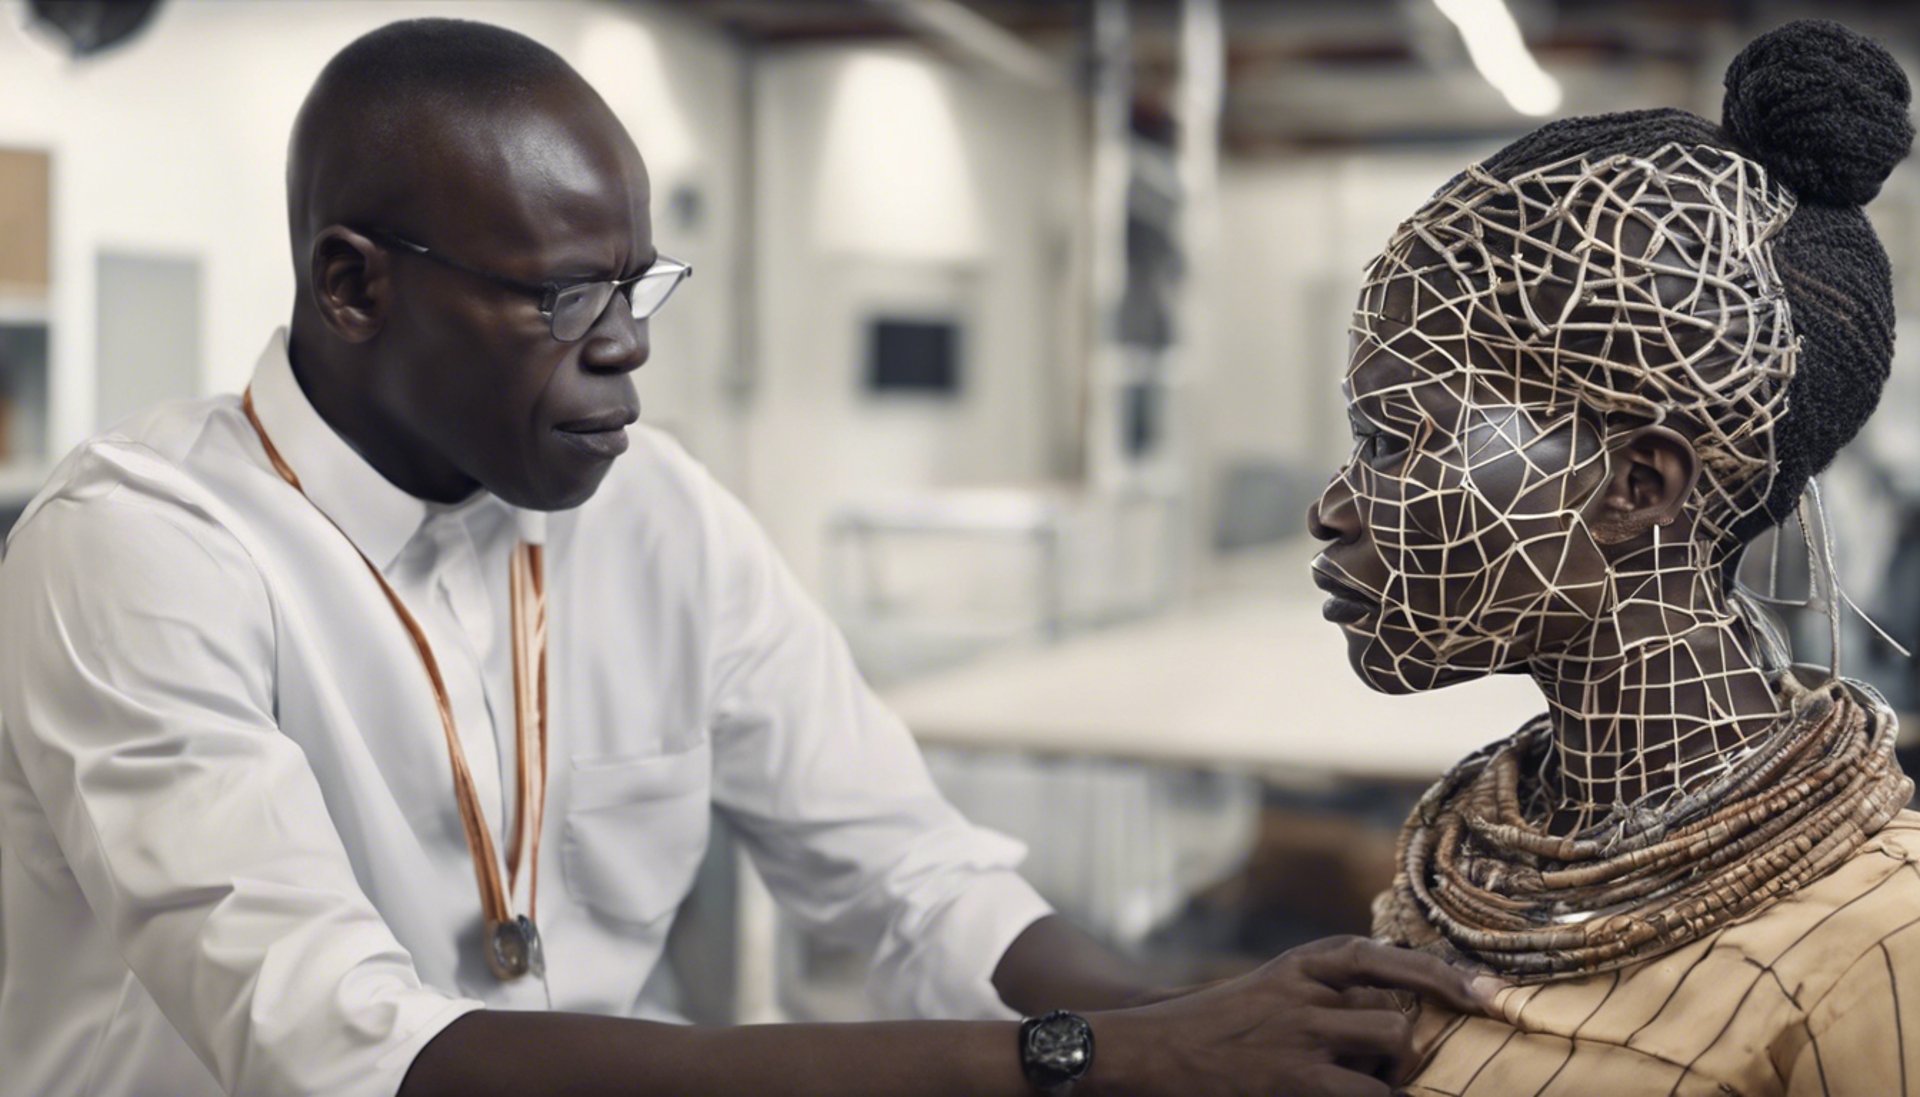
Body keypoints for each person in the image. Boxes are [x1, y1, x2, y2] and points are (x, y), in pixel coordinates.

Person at [0, 18, 1497, 1097]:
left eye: (639, 281)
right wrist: (1087, 1055)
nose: (630, 343)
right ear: (353, 288)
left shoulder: (656, 514)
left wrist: (1220, 1015)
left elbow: (910, 877)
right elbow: (344, 1049)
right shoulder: (138, 551)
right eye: (566, 295)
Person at [1306, 18, 1919, 1096]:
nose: (1333, 509)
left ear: (1638, 486)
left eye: (1398, 441)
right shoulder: (1456, 880)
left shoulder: (1877, 954)